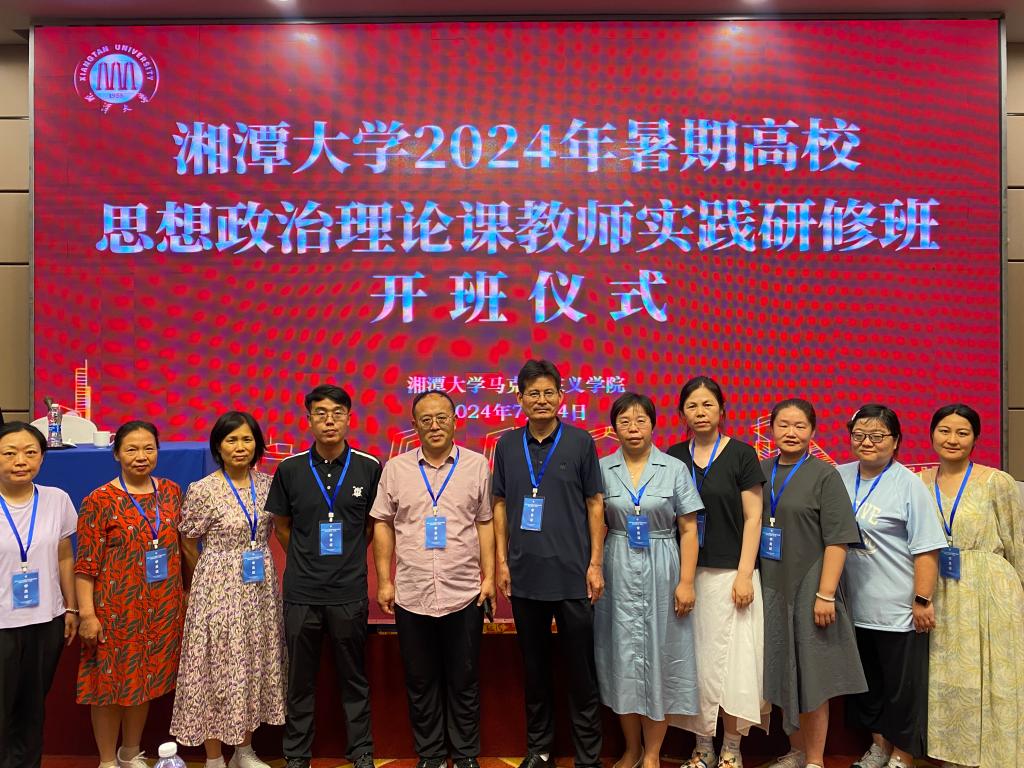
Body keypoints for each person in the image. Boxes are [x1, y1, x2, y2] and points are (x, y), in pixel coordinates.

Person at [371, 390, 495, 768]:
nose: (435, 425)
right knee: (421, 680)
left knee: (464, 678)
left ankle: (466, 754)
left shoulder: (476, 465)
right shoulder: (396, 469)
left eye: (442, 417)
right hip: (413, 592)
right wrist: (384, 580)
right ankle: (430, 754)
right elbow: (382, 523)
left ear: (456, 421)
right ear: (414, 425)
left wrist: (489, 576)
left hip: (465, 592)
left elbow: (485, 522)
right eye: (426, 419)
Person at [493, 359, 605, 768]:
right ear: (519, 399)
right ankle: (538, 750)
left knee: (581, 672)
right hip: (525, 575)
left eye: (548, 392)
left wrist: (595, 564)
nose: (541, 400)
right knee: (535, 670)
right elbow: (499, 504)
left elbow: (595, 504)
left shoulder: (580, 442)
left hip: (573, 575)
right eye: (532, 393)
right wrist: (502, 562)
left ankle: (588, 757)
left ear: (561, 396)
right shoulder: (507, 445)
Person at [266, 384, 381, 768]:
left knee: (354, 677)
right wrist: (306, 560)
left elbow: (371, 527)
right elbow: (282, 526)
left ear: (349, 418)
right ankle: (297, 754)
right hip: (302, 592)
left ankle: (361, 751)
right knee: (300, 680)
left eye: (337, 413)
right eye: (321, 413)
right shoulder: (290, 469)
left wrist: (346, 557)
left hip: (349, 591)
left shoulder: (369, 467)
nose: (329, 421)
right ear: (309, 420)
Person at [171, 411, 286, 768]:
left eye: (247, 439)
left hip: (260, 588)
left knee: (250, 663)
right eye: (231, 440)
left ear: (258, 445)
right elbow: (187, 541)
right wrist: (203, 583)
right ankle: (214, 757)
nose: (240, 447)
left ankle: (244, 751)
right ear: (218, 447)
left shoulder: (269, 485)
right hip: (217, 587)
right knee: (214, 667)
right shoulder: (203, 489)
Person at [594, 393, 702, 768]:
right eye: (625, 421)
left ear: (653, 425)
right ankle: (632, 749)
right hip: (617, 566)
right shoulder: (601, 469)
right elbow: (593, 523)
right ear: (614, 428)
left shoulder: (674, 468)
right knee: (622, 659)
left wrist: (686, 582)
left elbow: (689, 529)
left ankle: (653, 752)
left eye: (641, 420)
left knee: (660, 657)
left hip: (663, 566)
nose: (633, 428)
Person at [759, 399, 866, 768]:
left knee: (813, 676)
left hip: (811, 586)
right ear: (771, 429)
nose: (791, 433)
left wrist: (826, 594)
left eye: (800, 426)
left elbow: (838, 540)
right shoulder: (760, 471)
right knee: (779, 669)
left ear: (813, 432)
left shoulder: (825, 475)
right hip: (769, 584)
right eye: (783, 425)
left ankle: (815, 759)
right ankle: (796, 751)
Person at [666, 377, 767, 768]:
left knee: (735, 666)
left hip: (732, 576)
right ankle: (703, 747)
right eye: (692, 406)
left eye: (708, 404)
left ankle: (731, 749)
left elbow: (754, 518)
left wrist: (745, 574)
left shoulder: (742, 454)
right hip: (689, 577)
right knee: (698, 665)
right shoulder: (674, 457)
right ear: (682, 414)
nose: (700, 412)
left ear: (722, 410)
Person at [837, 405, 945, 768]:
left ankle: (902, 754)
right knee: (867, 686)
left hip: (897, 608)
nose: (867, 442)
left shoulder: (908, 484)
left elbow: (926, 547)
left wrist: (922, 598)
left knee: (902, 689)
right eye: (859, 435)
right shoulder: (838, 476)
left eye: (877, 435)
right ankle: (879, 747)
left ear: (896, 441)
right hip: (852, 606)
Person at [76, 420, 186, 768]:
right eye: (132, 449)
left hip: (162, 606)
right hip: (115, 608)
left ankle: (130, 752)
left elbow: (182, 549)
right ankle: (108, 760)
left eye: (149, 448)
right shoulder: (99, 500)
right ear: (117, 454)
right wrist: (87, 614)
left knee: (145, 680)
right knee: (109, 687)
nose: (141, 456)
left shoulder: (171, 492)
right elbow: (85, 564)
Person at [919, 404, 1024, 768]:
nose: (953, 439)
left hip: (991, 587)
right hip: (941, 587)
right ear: (932, 435)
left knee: (996, 672)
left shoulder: (997, 481)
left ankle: (997, 756)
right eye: (945, 431)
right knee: (948, 674)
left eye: (962, 433)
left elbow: (1017, 540)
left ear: (976, 438)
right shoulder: (920, 482)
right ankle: (955, 756)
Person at [0, 421, 78, 768]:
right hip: (2, 624)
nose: (21, 461)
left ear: (42, 458)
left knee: (32, 710)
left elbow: (64, 555)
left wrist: (71, 608)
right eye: (9, 453)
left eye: (30, 453)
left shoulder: (56, 499)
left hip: (46, 620)